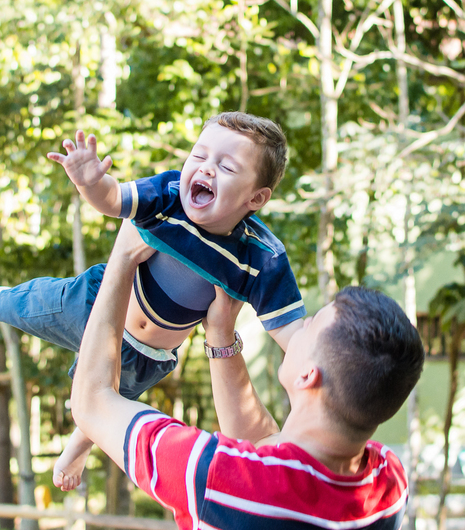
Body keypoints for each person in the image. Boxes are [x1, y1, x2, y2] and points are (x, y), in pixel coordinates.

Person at [0, 112, 305, 489]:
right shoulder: (168, 196)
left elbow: (292, 333)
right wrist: (91, 183)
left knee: (111, 401)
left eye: (227, 166)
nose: (207, 169)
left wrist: (319, 377)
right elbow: (115, 199)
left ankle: (78, 447)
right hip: (96, 302)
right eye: (199, 157)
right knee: (34, 304)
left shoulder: (260, 257)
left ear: (257, 197)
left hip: (148, 354)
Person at [73, 220, 426, 529]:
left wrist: (122, 258)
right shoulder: (387, 486)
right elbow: (266, 452)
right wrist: (221, 335)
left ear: (308, 376)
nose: (298, 329)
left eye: (311, 325)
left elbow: (91, 404)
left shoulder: (213, 477)